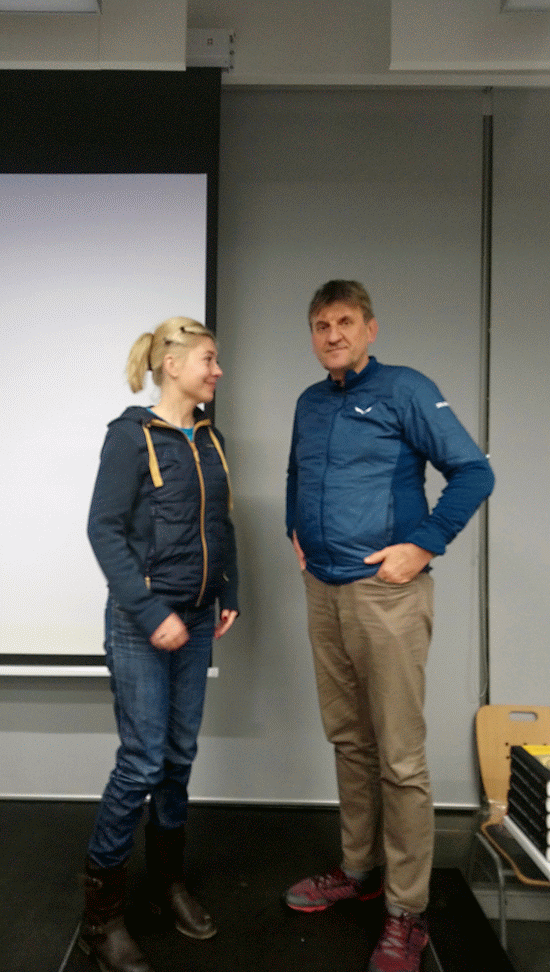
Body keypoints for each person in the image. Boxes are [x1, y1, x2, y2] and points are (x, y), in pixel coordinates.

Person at [284, 281, 494, 972]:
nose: (333, 334)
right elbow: (297, 473)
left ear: (370, 328)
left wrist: (424, 544)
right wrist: (295, 529)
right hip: (324, 591)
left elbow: (473, 471)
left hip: (386, 595)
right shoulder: (310, 402)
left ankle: (408, 910)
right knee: (350, 740)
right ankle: (359, 869)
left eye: (345, 321)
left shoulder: (406, 389)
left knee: (400, 759)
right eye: (322, 325)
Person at [80, 317, 239, 972]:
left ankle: (168, 882)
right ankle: (101, 917)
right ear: (173, 365)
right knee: (142, 761)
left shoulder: (210, 437)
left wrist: (229, 590)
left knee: (177, 757)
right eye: (209, 359)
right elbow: (103, 529)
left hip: (197, 621)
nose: (218, 370)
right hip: (141, 624)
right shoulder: (129, 437)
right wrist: (149, 613)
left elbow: (220, 522)